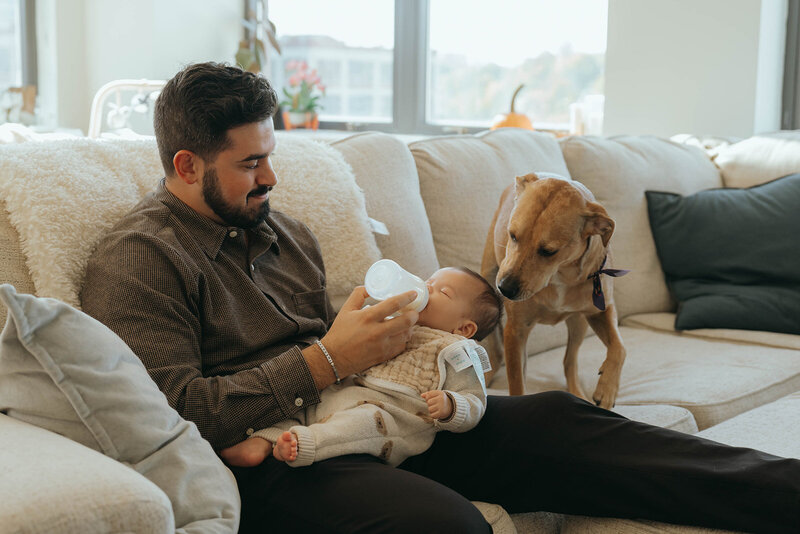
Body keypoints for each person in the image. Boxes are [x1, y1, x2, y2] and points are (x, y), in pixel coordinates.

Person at [80, 62, 800, 534]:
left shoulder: (284, 231)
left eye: (272, 155)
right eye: (251, 163)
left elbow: (330, 342)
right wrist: (330, 360)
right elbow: (172, 415)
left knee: (558, 419)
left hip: (382, 412)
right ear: (185, 164)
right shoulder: (139, 261)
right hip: (277, 460)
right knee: (448, 526)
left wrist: (409, 340)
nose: (271, 176)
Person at [219, 266, 501, 468]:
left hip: (391, 416)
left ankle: (305, 444)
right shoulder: (399, 320)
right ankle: (266, 439)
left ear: (464, 328)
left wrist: (453, 405)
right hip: (346, 389)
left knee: (361, 424)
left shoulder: (456, 350)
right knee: (306, 398)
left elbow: (476, 399)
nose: (425, 289)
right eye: (428, 281)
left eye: (442, 292)